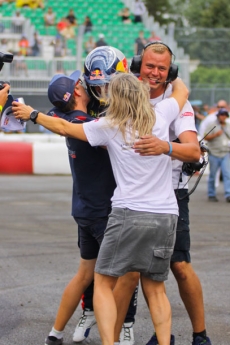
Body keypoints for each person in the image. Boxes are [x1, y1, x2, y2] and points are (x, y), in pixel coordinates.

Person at [13, 72, 190, 345]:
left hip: (128, 213)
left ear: (114, 99)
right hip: (166, 214)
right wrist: (169, 75)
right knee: (156, 290)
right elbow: (182, 91)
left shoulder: (110, 125)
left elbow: (64, 128)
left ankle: (109, 343)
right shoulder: (162, 114)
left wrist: (32, 114)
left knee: (103, 283)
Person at [131, 42, 212, 345]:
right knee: (145, 271)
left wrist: (165, 146)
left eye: (162, 68)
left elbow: (192, 150)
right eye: (149, 66)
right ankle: (162, 335)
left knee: (179, 265)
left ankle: (201, 335)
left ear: (171, 72)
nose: (154, 73)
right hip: (135, 196)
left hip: (172, 194)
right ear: (139, 65)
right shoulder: (127, 95)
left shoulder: (179, 103)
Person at [204, 108, 230, 202]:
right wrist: (215, 135)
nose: (223, 117)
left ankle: (228, 194)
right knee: (213, 175)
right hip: (214, 153)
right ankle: (211, 194)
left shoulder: (228, 126)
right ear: (218, 116)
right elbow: (206, 137)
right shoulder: (212, 125)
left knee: (227, 174)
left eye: (224, 115)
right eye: (221, 115)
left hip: (225, 152)